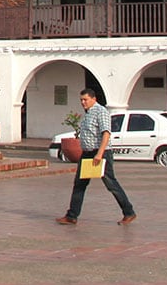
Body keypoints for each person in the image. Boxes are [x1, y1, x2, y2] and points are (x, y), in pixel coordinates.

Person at [58, 88, 136, 227]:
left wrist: (99, 154)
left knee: (111, 184)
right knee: (79, 184)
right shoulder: (88, 114)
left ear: (94, 99)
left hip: (100, 152)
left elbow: (106, 133)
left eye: (85, 100)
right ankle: (72, 215)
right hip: (87, 153)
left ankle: (128, 211)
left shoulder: (101, 112)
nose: (83, 102)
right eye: (81, 100)